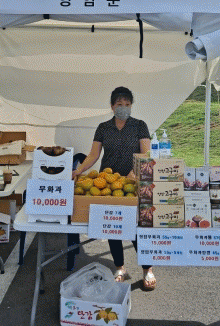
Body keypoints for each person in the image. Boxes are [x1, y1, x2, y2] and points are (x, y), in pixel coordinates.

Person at [72, 86, 156, 291]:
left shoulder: (139, 126)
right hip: (107, 184)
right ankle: (120, 267)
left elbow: (146, 154)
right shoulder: (103, 127)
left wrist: (134, 173)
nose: (123, 108)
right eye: (119, 104)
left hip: (131, 184)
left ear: (131, 106)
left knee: (136, 228)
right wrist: (79, 170)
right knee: (112, 225)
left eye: (127, 104)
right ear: (112, 106)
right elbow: (93, 155)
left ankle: (147, 269)